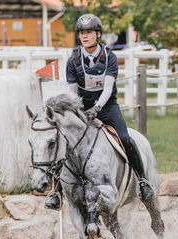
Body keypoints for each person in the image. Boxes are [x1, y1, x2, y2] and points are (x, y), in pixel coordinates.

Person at [64, 13, 154, 202]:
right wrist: (78, 112)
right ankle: (56, 189)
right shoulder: (72, 60)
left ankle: (143, 180)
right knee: (64, 140)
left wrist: (96, 109)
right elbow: (72, 93)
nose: (84, 36)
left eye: (88, 32)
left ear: (98, 34)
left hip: (106, 106)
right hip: (82, 108)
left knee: (125, 138)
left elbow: (107, 89)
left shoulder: (109, 57)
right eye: (81, 33)